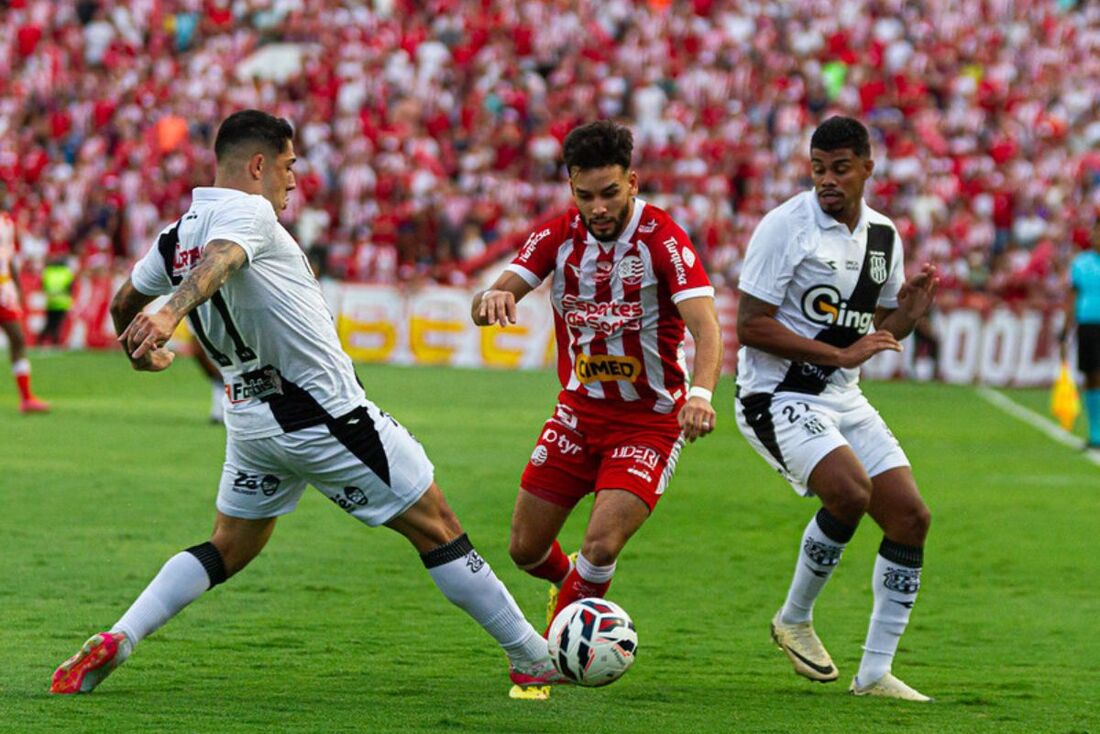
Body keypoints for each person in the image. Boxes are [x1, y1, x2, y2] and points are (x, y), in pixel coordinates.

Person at [50, 110, 562, 695]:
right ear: (259, 165)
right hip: (322, 414)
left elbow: (122, 301)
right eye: (290, 166)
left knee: (228, 547)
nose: (294, 180)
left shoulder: (175, 234)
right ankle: (531, 655)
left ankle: (121, 637)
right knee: (439, 527)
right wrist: (169, 313)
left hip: (251, 420)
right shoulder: (249, 212)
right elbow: (224, 260)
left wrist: (136, 346)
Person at [471, 120, 722, 693]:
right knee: (524, 549)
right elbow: (495, 294)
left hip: (650, 422)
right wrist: (490, 298)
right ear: (571, 188)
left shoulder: (664, 239)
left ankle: (555, 650)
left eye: (610, 193)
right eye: (585, 195)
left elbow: (709, 331)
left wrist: (701, 397)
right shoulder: (558, 236)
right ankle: (572, 589)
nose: (599, 207)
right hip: (578, 416)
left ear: (632, 182)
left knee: (601, 543)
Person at [734, 116, 937, 702]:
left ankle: (874, 674)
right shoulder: (785, 228)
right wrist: (839, 351)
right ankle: (794, 617)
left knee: (911, 519)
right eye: (819, 168)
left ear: (867, 168)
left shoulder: (882, 237)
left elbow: (873, 331)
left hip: (842, 395)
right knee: (849, 491)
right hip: (776, 395)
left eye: (840, 168)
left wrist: (910, 313)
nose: (827, 180)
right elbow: (751, 325)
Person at [0, 212, 49, 413]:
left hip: (4, 289)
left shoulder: (6, 221)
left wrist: (17, 287)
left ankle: (27, 398)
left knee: (18, 338)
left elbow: (9, 256)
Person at [1063, 218, 1100, 452]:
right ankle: (1095, 432)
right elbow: (1072, 298)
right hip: (1087, 324)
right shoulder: (1081, 262)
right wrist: (1065, 330)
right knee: (1091, 376)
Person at [38, 248, 75, 347]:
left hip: (51, 301)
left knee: (49, 322)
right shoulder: (66, 272)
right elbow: (71, 287)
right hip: (63, 302)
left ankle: (41, 340)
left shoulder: (47, 272)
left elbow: (43, 285)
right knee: (59, 324)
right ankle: (55, 341)